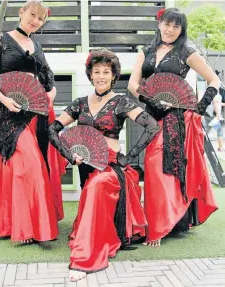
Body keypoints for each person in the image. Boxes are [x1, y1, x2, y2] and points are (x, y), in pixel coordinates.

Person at [48, 49, 160, 281]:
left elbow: (152, 126)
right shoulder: (79, 104)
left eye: (105, 72)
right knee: (90, 187)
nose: (101, 76)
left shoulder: (121, 102)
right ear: (90, 75)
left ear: (113, 76)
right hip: (85, 165)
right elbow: (53, 129)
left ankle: (85, 258)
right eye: (96, 71)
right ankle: (90, 236)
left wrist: (131, 156)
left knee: (96, 186)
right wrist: (69, 154)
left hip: (111, 167)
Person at [0, 0, 66, 244]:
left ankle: (32, 226)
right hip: (11, 110)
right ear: (21, 12)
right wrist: (3, 99)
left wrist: (52, 93)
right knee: (28, 164)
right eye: (33, 15)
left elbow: (48, 76)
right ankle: (25, 227)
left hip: (37, 110)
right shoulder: (1, 39)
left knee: (36, 164)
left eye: (41, 19)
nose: (35, 21)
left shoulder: (37, 44)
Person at [128, 8, 219, 247]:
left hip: (174, 119)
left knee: (163, 168)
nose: (170, 30)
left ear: (181, 30)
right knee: (152, 166)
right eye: (167, 24)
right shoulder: (145, 51)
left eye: (176, 27)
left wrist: (199, 108)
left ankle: (159, 227)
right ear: (160, 24)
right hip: (150, 115)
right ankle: (165, 218)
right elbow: (132, 84)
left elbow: (214, 80)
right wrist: (151, 99)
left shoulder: (186, 52)